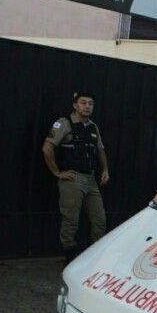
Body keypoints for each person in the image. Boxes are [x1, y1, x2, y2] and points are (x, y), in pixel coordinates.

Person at [41, 91, 109, 263]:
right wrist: (57, 172)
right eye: (83, 103)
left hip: (91, 179)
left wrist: (105, 169)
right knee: (71, 220)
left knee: (99, 220)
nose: (87, 106)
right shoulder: (64, 123)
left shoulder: (93, 127)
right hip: (73, 179)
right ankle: (70, 259)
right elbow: (47, 148)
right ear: (75, 105)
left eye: (90, 103)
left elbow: (100, 150)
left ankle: (93, 260)